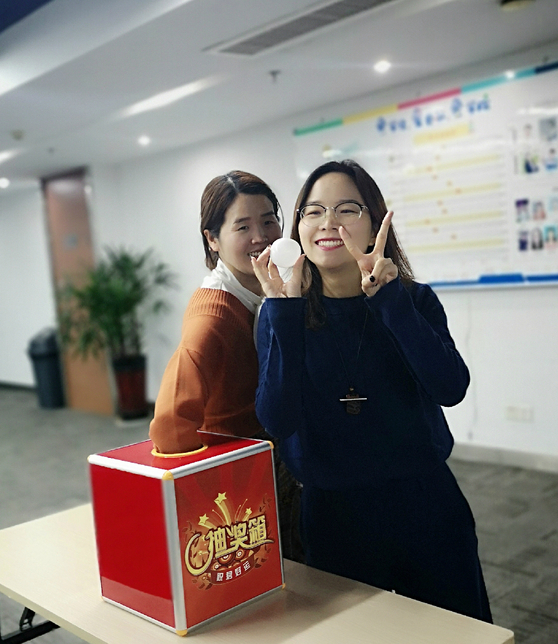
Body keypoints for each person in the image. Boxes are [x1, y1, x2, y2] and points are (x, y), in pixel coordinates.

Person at [251, 159, 492, 622]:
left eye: (346, 209)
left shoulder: (412, 299)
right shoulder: (281, 313)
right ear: (298, 227)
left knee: (453, 630)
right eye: (313, 211)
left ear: (375, 221)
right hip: (334, 517)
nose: (328, 223)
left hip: (426, 504)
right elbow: (277, 420)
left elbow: (450, 387)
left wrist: (389, 300)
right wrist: (285, 313)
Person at [148, 170, 304, 561]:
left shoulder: (274, 287)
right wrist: (202, 494)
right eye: (243, 226)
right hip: (244, 471)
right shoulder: (213, 314)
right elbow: (169, 421)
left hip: (278, 454)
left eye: (268, 220)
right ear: (212, 239)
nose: (261, 236)